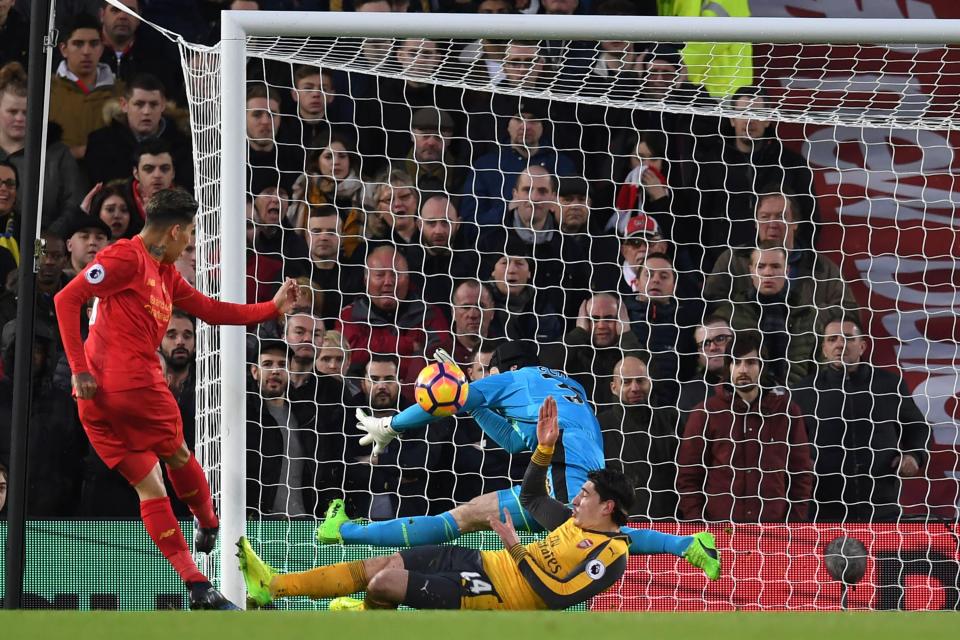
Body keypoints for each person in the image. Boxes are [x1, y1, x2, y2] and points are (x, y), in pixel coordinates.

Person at [54, 188, 302, 609]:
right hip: (133, 386)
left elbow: (210, 309)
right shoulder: (124, 258)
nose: (189, 242)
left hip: (96, 402)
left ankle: (197, 584)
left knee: (149, 488)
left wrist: (270, 309)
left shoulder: (165, 273)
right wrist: (77, 368)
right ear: (172, 231)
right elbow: (67, 298)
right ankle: (207, 522)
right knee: (180, 457)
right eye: (188, 233)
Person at [315, 341, 720, 581]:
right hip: (569, 470)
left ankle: (685, 543)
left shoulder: (512, 379)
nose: (484, 377)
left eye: (488, 372)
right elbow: (511, 442)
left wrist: (391, 425)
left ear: (505, 367)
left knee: (597, 538)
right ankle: (344, 531)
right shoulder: (567, 383)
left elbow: (444, 400)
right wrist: (476, 402)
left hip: (564, 472)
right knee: (464, 516)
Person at [237, 402, 636, 610]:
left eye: (586, 495)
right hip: (481, 562)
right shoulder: (569, 521)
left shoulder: (611, 555)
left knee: (384, 585)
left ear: (608, 507)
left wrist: (515, 546)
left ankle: (365, 616)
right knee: (383, 566)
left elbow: (557, 593)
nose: (577, 498)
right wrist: (544, 448)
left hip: (493, 594)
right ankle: (273, 585)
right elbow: (532, 495)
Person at [791, 317, 930, 522]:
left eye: (848, 338)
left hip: (881, 506)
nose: (840, 344)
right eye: (832, 339)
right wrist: (801, 462)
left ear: (862, 346)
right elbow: (789, 439)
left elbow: (917, 427)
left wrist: (914, 455)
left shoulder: (888, 385)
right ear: (824, 349)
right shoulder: (804, 390)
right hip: (823, 507)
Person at [676, 331, 814, 522]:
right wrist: (699, 525)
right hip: (719, 531)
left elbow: (801, 474)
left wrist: (793, 524)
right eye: (736, 362)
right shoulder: (705, 413)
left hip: (774, 532)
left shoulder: (787, 412)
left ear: (761, 366)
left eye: (750, 362)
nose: (743, 369)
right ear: (728, 366)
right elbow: (689, 477)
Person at [599, 355, 680, 520]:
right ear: (614, 387)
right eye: (627, 382)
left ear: (650, 382)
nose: (635, 388)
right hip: (622, 525)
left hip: (672, 521)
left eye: (640, 380)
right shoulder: (600, 425)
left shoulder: (671, 418)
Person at [85, 73, 193, 191]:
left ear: (163, 105)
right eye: (139, 104)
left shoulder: (184, 145)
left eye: (153, 104)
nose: (146, 111)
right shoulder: (100, 143)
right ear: (124, 105)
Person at [49, 13, 123, 159]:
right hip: (59, 176)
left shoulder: (121, 91)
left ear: (102, 48)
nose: (86, 51)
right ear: (64, 49)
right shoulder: (46, 90)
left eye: (94, 44)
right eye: (78, 44)